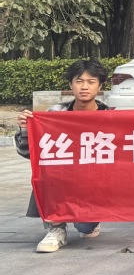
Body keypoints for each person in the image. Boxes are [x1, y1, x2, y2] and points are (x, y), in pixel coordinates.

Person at [16, 60, 112, 253]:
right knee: (45, 175)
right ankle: (56, 228)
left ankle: (91, 223)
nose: (84, 87)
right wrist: (25, 130)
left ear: (100, 86)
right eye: (79, 81)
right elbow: (30, 153)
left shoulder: (111, 117)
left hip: (93, 183)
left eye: (91, 82)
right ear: (70, 84)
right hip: (62, 179)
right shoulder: (54, 114)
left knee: (84, 227)